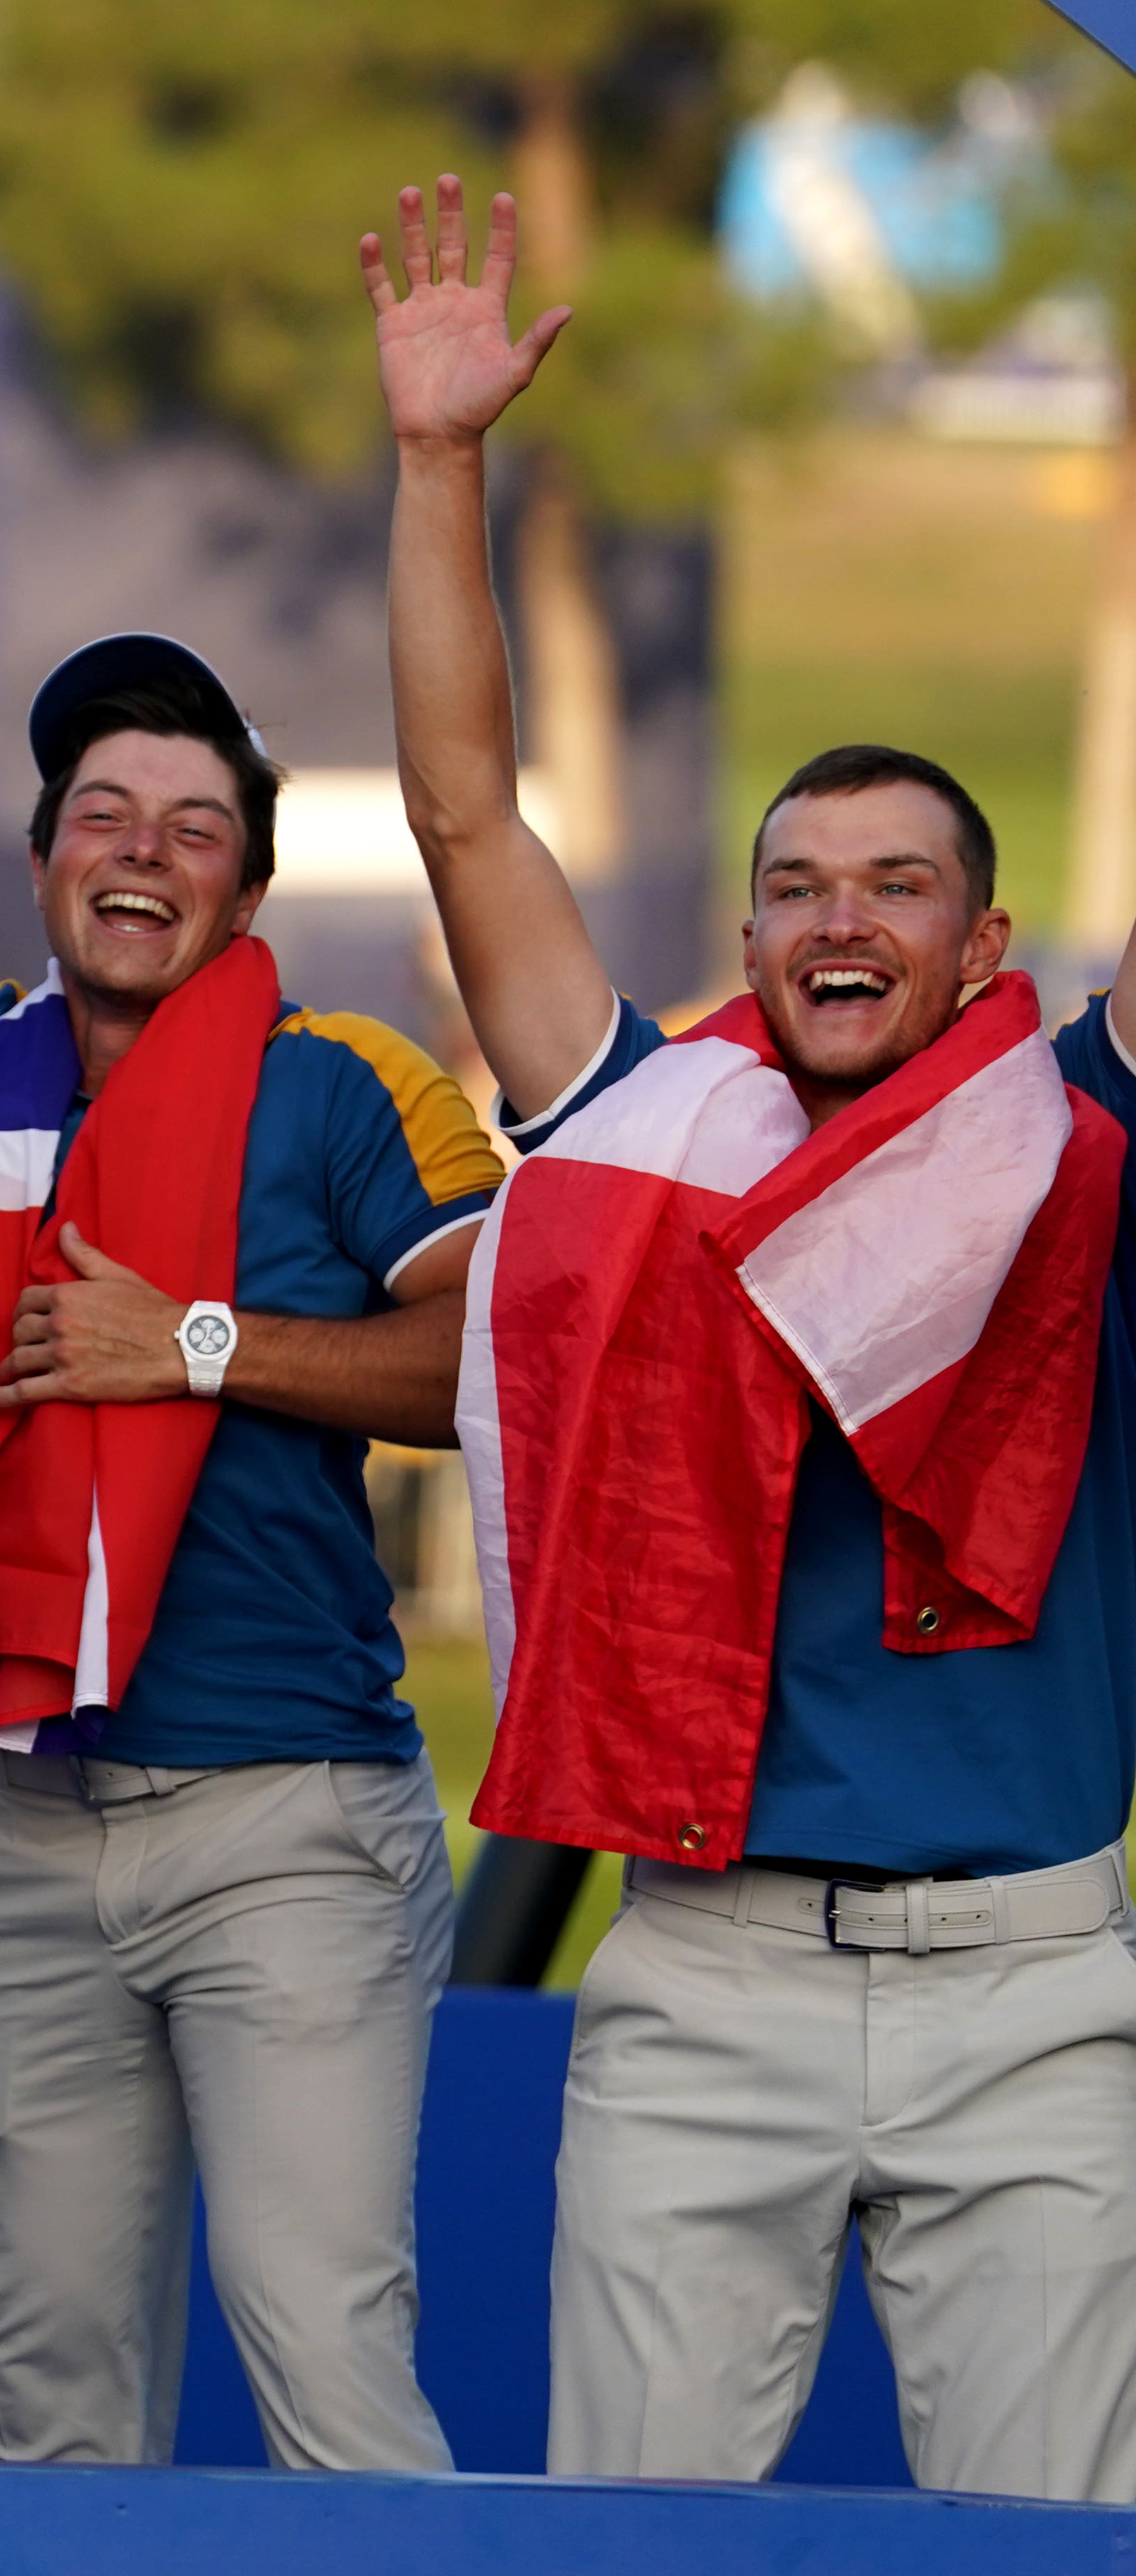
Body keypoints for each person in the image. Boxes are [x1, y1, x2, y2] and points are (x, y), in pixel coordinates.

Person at [369, 172, 1136, 2500]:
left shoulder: (1083, 1125)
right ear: (743, 925)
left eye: (898, 884)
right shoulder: (640, 1126)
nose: (840, 916)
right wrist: (437, 465)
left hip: (1033, 1976)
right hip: (707, 1974)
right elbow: (461, 810)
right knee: (637, 2549)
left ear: (985, 941)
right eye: (797, 882)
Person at [0, 466, 504, 2472]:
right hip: (26, 1836)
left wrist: (195, 1346)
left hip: (282, 1827)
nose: (142, 855)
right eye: (103, 818)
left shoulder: (345, 1083)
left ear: (248, 890)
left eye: (192, 828)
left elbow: (493, 1352)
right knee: (51, 2406)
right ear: (45, 860)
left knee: (328, 2372)